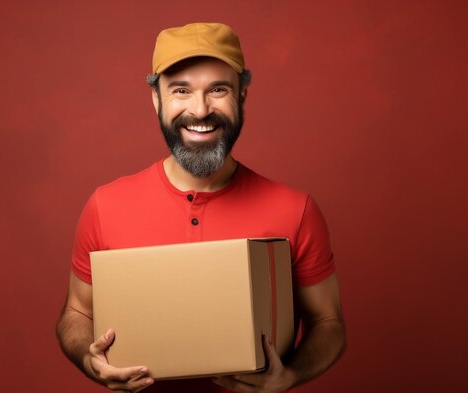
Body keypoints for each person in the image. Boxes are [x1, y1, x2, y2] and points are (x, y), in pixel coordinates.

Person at [56, 22, 345, 393]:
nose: (200, 109)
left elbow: (328, 324)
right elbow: (77, 313)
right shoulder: (105, 205)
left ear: (242, 95)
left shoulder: (295, 209)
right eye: (180, 90)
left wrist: (290, 375)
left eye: (218, 89)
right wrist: (88, 358)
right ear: (156, 100)